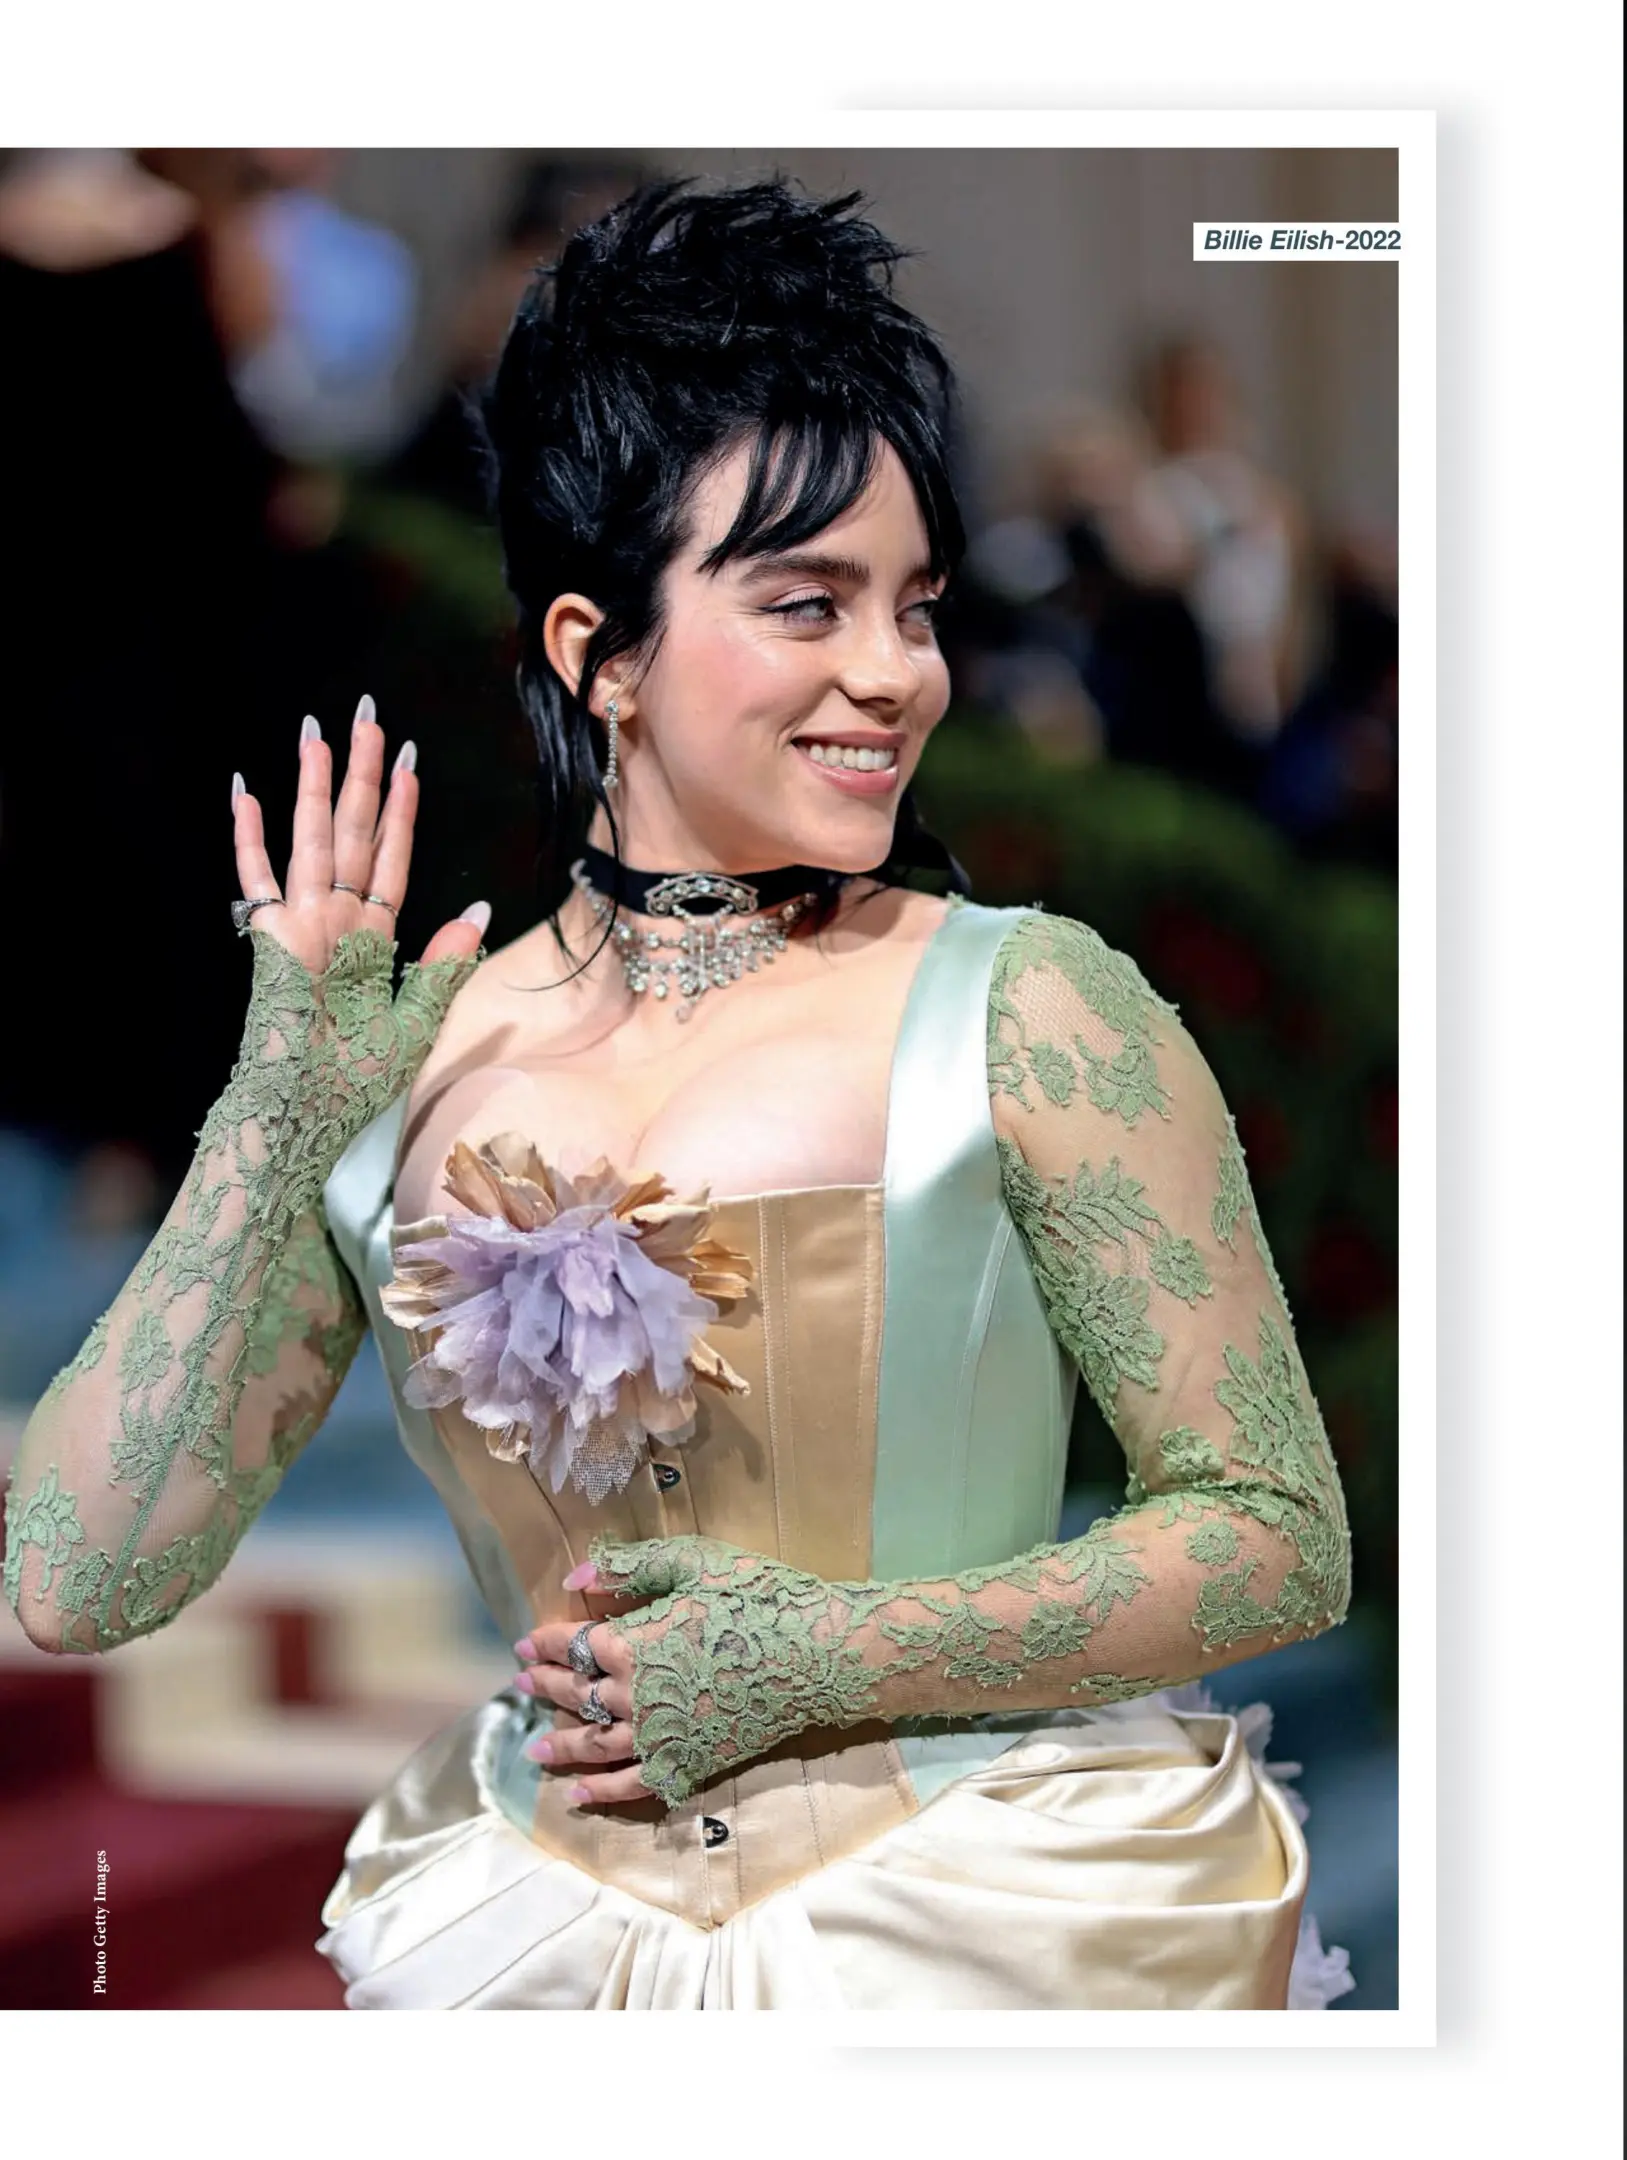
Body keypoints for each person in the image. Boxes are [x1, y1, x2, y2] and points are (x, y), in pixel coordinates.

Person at [1, 178, 1356, 2012]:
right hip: (539, 1957)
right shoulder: (413, 1064)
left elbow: (1271, 1529)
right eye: (807, 603)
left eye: (915, 608)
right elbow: (78, 1578)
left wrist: (835, 1657)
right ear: (597, 653)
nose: (892, 676)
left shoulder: (1031, 1008)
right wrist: (271, 1116)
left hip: (964, 1938)